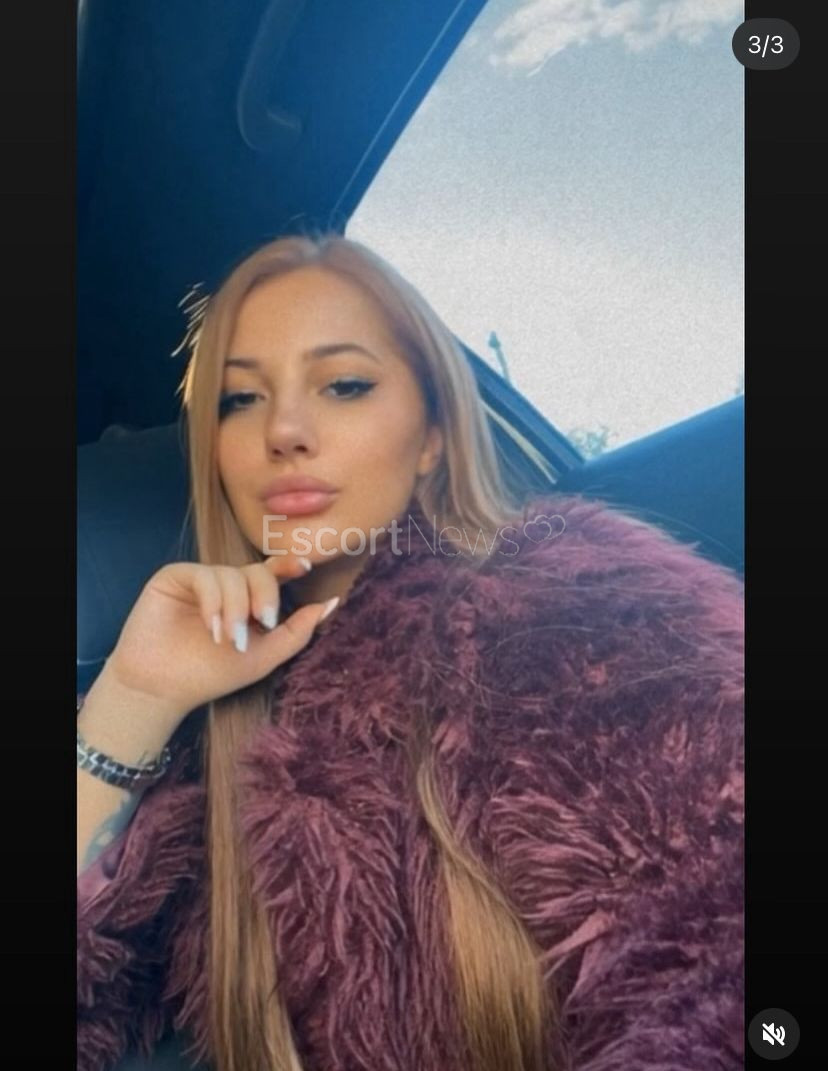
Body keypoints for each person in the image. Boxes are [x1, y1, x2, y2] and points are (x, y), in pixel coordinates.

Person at [77, 233, 744, 1071]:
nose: (284, 430)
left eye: (344, 384)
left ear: (431, 433)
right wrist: (135, 697)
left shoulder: (578, 612)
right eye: (239, 399)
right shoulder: (204, 729)